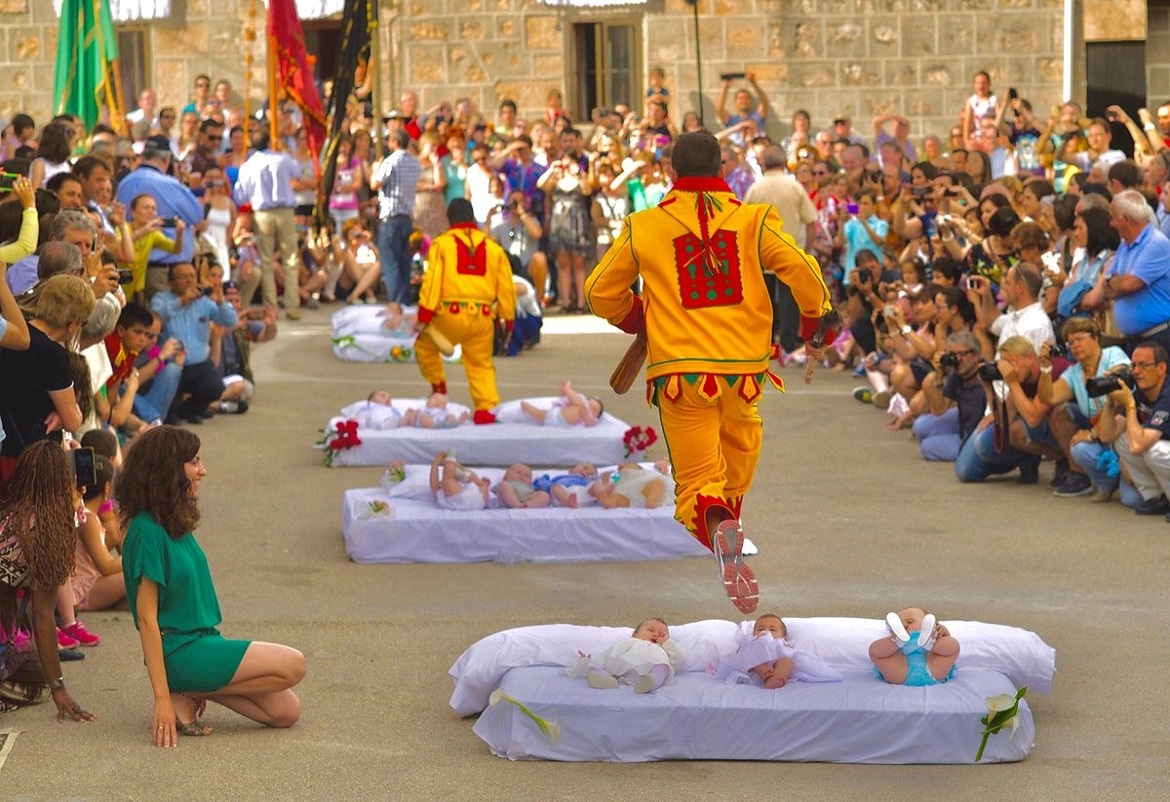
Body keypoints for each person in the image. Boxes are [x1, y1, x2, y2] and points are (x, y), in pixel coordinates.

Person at [584, 130, 834, 614]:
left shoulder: (644, 225)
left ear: (672, 174)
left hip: (681, 375)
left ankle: (719, 524)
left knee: (698, 480)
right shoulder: (753, 220)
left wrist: (639, 318)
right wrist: (811, 324)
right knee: (737, 460)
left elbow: (598, 291)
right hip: (743, 374)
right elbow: (803, 270)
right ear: (723, 171)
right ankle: (728, 521)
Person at [118, 426, 306, 746]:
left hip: (202, 641)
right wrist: (161, 698)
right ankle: (180, 689)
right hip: (180, 650)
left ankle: (191, 690)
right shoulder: (147, 530)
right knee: (294, 665)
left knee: (286, 711)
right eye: (195, 462)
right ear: (168, 469)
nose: (202, 471)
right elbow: (148, 619)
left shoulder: (172, 520)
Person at [0, 441, 95, 720]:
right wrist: (59, 689)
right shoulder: (48, 528)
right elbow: (44, 616)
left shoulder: (9, 513)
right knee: (38, 686)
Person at [413, 199, 516, 424]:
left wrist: (424, 317)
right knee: (481, 364)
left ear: (450, 220)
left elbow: (431, 284)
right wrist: (507, 321)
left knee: (424, 346)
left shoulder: (441, 244)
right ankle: (486, 409)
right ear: (471, 218)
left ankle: (439, 390)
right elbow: (507, 288)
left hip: (449, 316)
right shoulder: (494, 248)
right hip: (483, 318)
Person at [0, 274, 92, 483]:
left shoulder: (13, 332)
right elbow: (72, 421)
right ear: (73, 324)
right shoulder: (52, 353)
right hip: (29, 456)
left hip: (6, 443)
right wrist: (65, 415)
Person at [1039, 317, 1132, 498]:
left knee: (1131, 499)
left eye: (1080, 339)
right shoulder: (1074, 372)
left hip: (1122, 428)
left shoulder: (1113, 354)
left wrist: (1092, 433)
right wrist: (1045, 368)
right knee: (1063, 420)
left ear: (1095, 338)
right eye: (1071, 342)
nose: (1075, 345)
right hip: (1101, 427)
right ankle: (1100, 481)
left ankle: (1124, 474)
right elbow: (1048, 397)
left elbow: (1120, 388)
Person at [151, 263, 238, 425]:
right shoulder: (160, 299)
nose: (189, 280)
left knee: (215, 387)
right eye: (183, 277)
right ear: (171, 282)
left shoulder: (204, 302)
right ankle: (171, 413)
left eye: (192, 276)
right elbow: (157, 319)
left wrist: (221, 301)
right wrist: (182, 301)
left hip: (199, 364)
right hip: (171, 363)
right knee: (170, 380)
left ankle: (187, 410)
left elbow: (230, 321)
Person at [1094, 342, 1170, 516]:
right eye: (1134, 365)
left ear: (1161, 368)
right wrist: (1110, 402)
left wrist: (1129, 404)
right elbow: (1106, 436)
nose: (1136, 371)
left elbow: (1138, 446)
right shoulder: (1143, 392)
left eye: (1144, 365)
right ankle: (1157, 498)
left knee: (1152, 450)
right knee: (1122, 439)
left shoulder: (1167, 394)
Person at [234, 130, 303, 320]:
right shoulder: (283, 159)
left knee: (266, 261)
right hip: (284, 211)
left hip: (263, 212)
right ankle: (291, 305)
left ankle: (271, 306)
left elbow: (241, 195)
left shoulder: (248, 165)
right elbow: (298, 172)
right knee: (289, 259)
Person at [1102, 189, 1170, 357]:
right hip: (1136, 340)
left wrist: (1118, 283)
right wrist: (1117, 283)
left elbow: (1130, 283)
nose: (1111, 223)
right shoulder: (1125, 246)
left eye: (1113, 218)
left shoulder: (1156, 244)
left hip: (1159, 338)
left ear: (1125, 219)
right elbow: (1106, 285)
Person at [371, 129, 421, 304]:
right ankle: (404, 300)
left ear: (394, 142)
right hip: (406, 217)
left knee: (390, 263)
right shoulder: (414, 163)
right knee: (403, 262)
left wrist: (375, 169)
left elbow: (375, 183)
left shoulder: (390, 161)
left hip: (391, 217)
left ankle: (395, 301)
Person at [568, 617, 683, 694]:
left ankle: (651, 682)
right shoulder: (628, 643)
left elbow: (680, 659)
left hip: (643, 675)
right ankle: (602, 678)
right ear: (635, 634)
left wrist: (667, 643)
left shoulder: (660, 649)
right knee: (601, 662)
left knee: (663, 667)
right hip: (619, 668)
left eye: (662, 634)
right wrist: (588, 661)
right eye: (651, 630)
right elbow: (608, 655)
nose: (656, 634)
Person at [869, 607, 959, 686]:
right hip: (901, 666)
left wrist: (943, 632)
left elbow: (947, 644)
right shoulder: (894, 639)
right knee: (875, 652)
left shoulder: (936, 633)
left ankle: (931, 643)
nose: (904, 625)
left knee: (952, 646)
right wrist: (892, 642)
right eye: (899, 624)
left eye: (910, 621)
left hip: (932, 663)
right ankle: (896, 641)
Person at [520, 380, 603, 427]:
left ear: (597, 417)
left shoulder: (590, 419)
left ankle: (567, 390)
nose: (590, 408)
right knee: (537, 413)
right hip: (553, 415)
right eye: (590, 404)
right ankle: (526, 406)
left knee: (580, 406)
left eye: (594, 410)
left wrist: (585, 408)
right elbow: (566, 402)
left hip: (562, 422)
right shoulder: (580, 406)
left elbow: (586, 416)